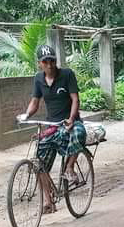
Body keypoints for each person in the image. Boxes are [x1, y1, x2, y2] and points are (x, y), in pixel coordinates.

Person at [17, 44, 87, 213]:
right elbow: (35, 102)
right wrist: (26, 115)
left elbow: (75, 99)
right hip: (52, 126)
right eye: (45, 62)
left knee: (79, 132)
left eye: (52, 61)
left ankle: (69, 168)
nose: (49, 65)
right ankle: (48, 201)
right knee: (39, 163)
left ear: (56, 61)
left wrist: (71, 119)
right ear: (40, 63)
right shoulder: (38, 79)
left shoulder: (67, 75)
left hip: (68, 122)